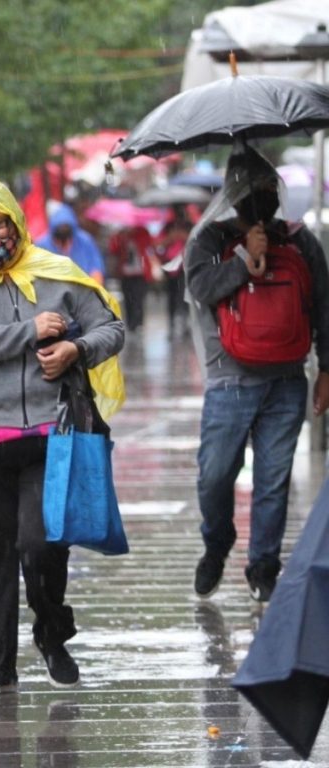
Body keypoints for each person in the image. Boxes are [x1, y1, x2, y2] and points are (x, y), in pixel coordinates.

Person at [0, 176, 125, 697]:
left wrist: (75, 351)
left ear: (16, 221)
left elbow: (111, 327)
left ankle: (53, 631)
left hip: (49, 435)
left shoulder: (59, 275)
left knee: (41, 545)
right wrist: (30, 332)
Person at [185, 144, 329, 603]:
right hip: (229, 379)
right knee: (214, 476)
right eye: (253, 189)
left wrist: (326, 368)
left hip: (287, 379)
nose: (263, 196)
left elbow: (324, 306)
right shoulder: (209, 239)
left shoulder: (300, 239)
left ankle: (264, 565)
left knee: (273, 479)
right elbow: (201, 288)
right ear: (233, 192)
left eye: (269, 188)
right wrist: (244, 258)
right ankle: (217, 541)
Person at [37, 203, 106, 285]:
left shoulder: (84, 241)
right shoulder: (43, 244)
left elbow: (96, 268)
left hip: (83, 289)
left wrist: (94, 287)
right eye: (60, 227)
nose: (63, 230)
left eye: (66, 226)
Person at [108, 225, 158, 333]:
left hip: (140, 273)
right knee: (128, 300)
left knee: (138, 298)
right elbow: (113, 248)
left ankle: (139, 323)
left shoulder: (142, 232)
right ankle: (130, 324)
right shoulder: (120, 235)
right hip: (126, 273)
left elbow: (149, 245)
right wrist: (122, 238)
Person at [155, 205, 192, 339]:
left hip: (185, 266)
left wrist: (184, 236)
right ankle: (172, 325)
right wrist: (171, 238)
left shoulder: (189, 226)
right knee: (172, 296)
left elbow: (195, 241)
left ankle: (186, 324)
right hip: (171, 267)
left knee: (185, 296)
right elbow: (158, 244)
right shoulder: (168, 226)